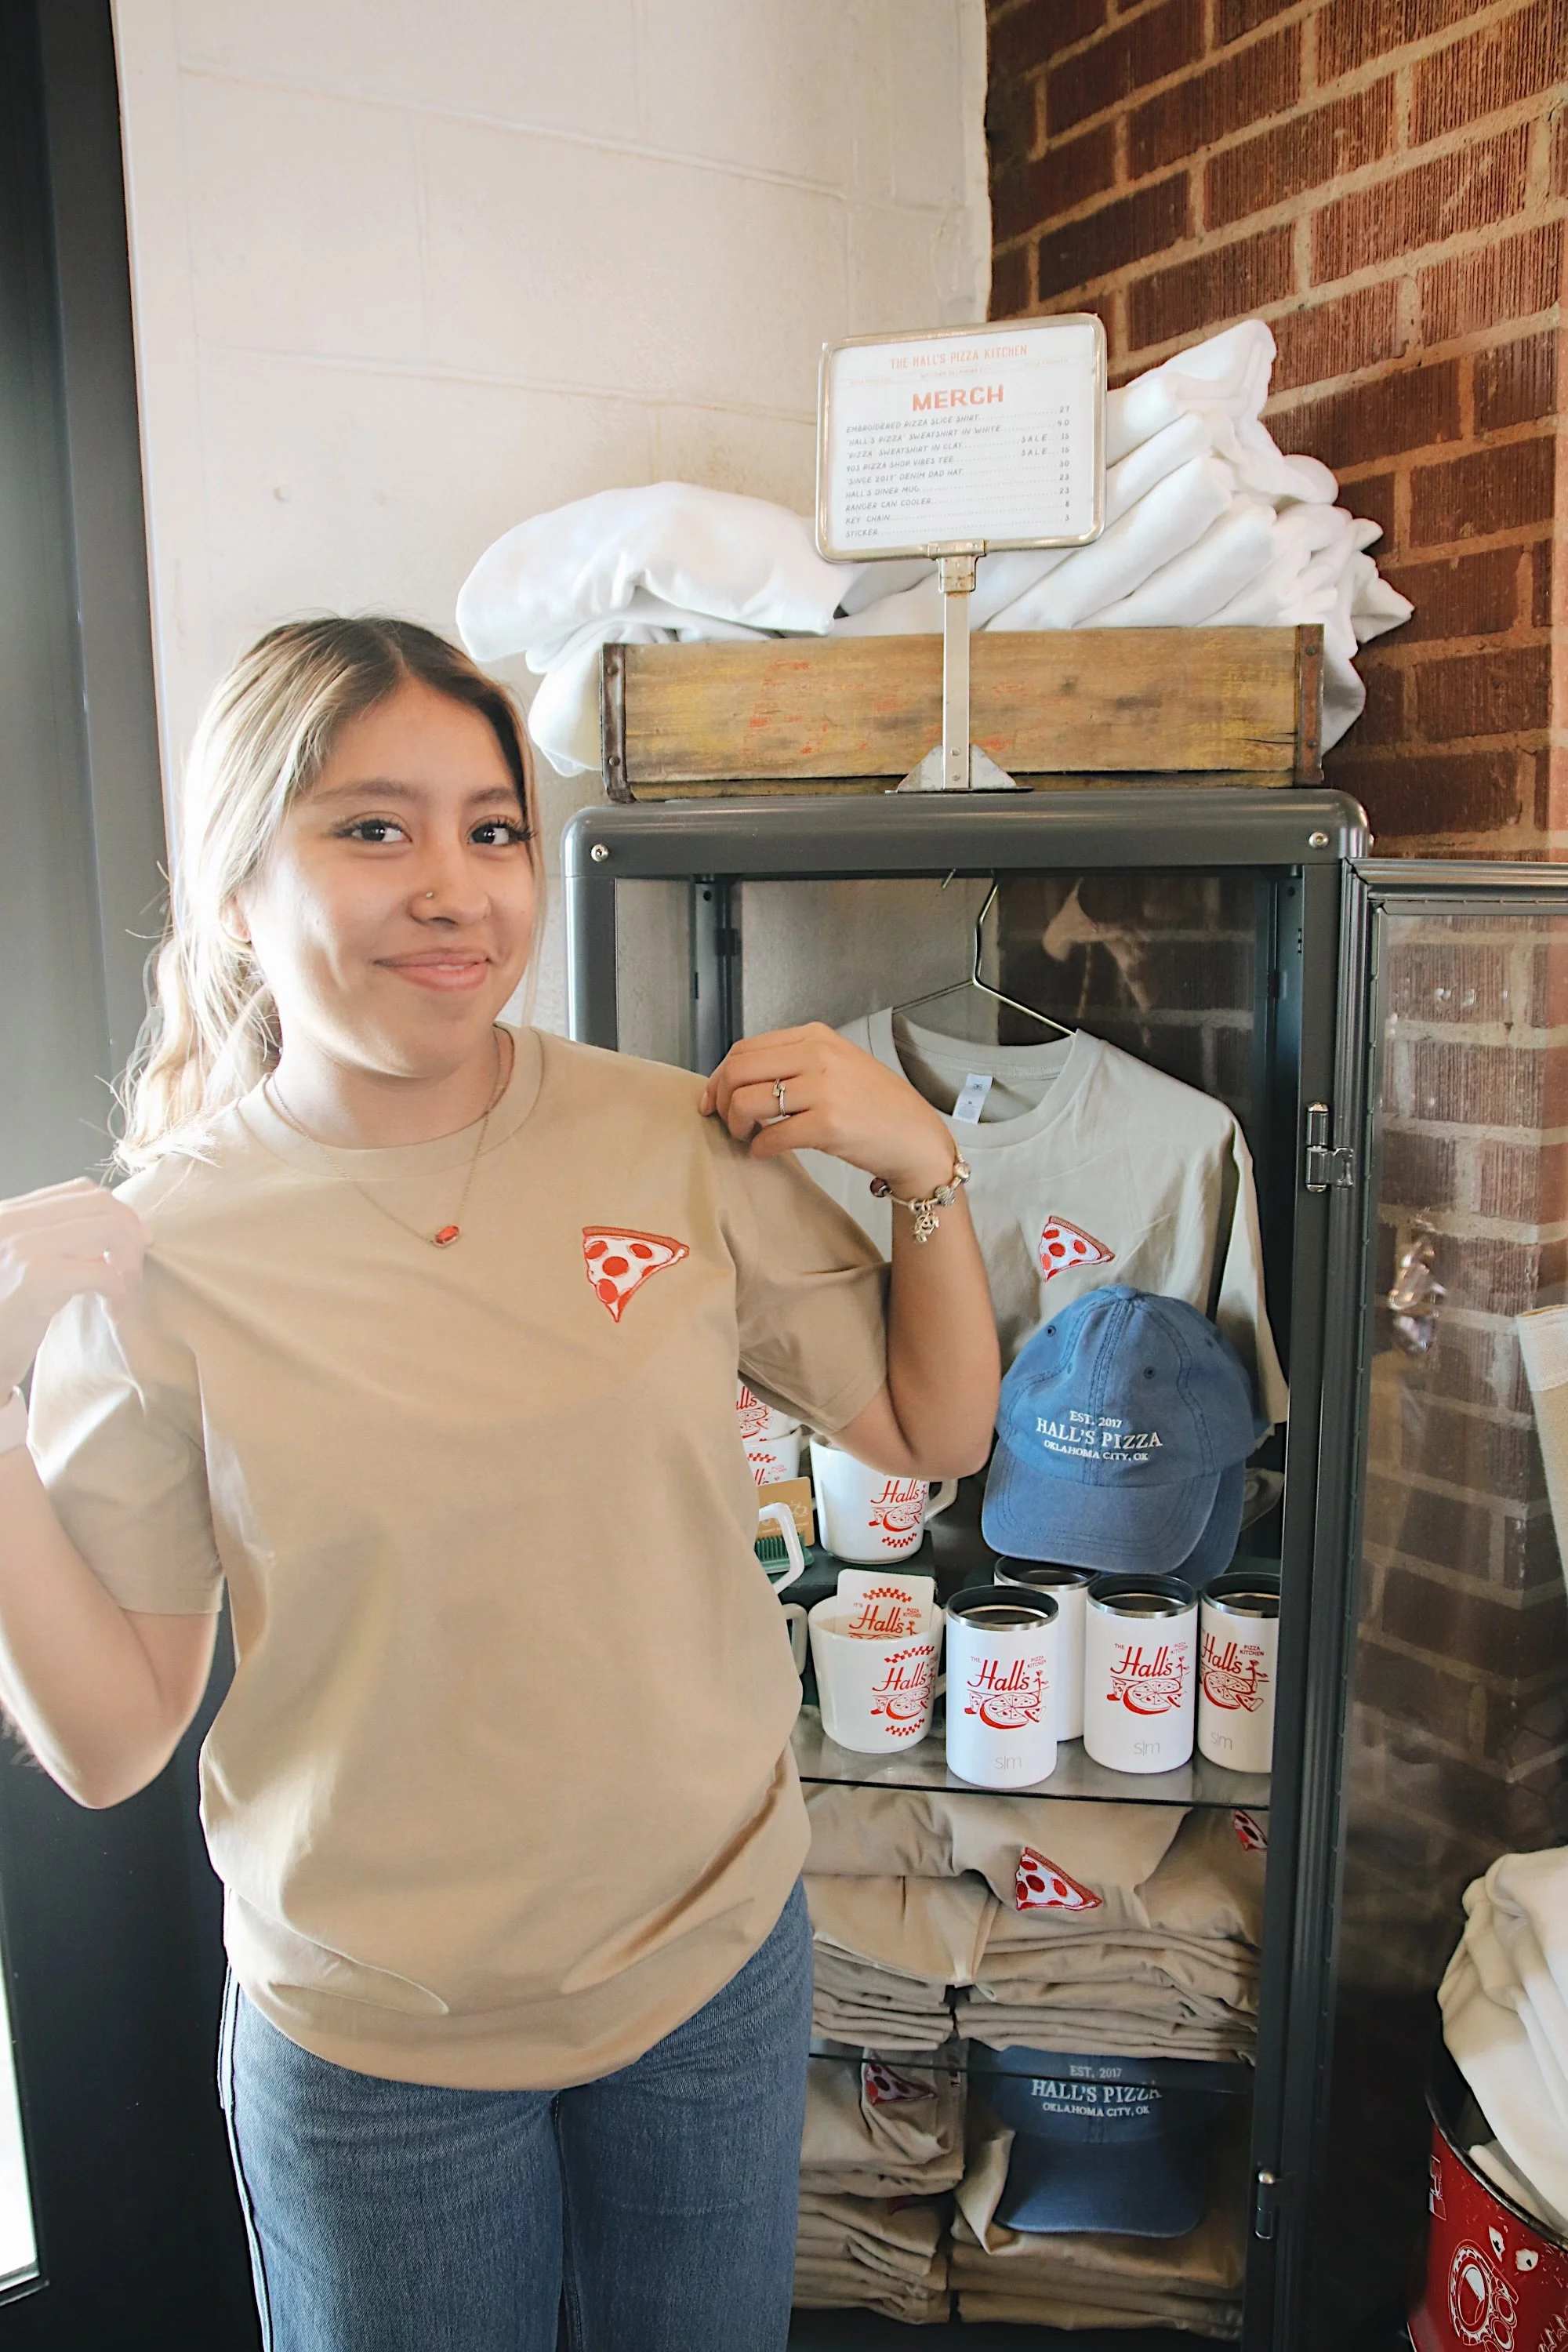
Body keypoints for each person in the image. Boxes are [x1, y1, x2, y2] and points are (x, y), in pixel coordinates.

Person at [0, 618, 1000, 2352]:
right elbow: (108, 1742)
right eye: (373, 828)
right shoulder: (157, 1256)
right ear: (237, 889)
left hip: (710, 1971)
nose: (456, 887)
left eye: (494, 829)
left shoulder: (668, 1138)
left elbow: (930, 1429)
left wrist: (924, 1169)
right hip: (380, 2049)